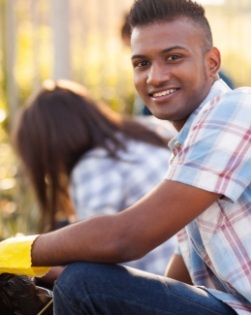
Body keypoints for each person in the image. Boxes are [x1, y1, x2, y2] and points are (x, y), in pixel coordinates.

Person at [1, 0, 251, 314]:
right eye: (141, 63)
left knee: (83, 283)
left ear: (212, 62)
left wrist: (12, 251)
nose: (155, 77)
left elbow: (126, 238)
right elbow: (177, 277)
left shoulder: (236, 111)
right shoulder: (186, 146)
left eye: (173, 57)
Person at [11, 79, 176, 280]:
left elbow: (94, 270)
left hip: (162, 286)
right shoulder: (149, 128)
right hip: (197, 278)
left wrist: (28, 264)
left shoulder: (94, 165)